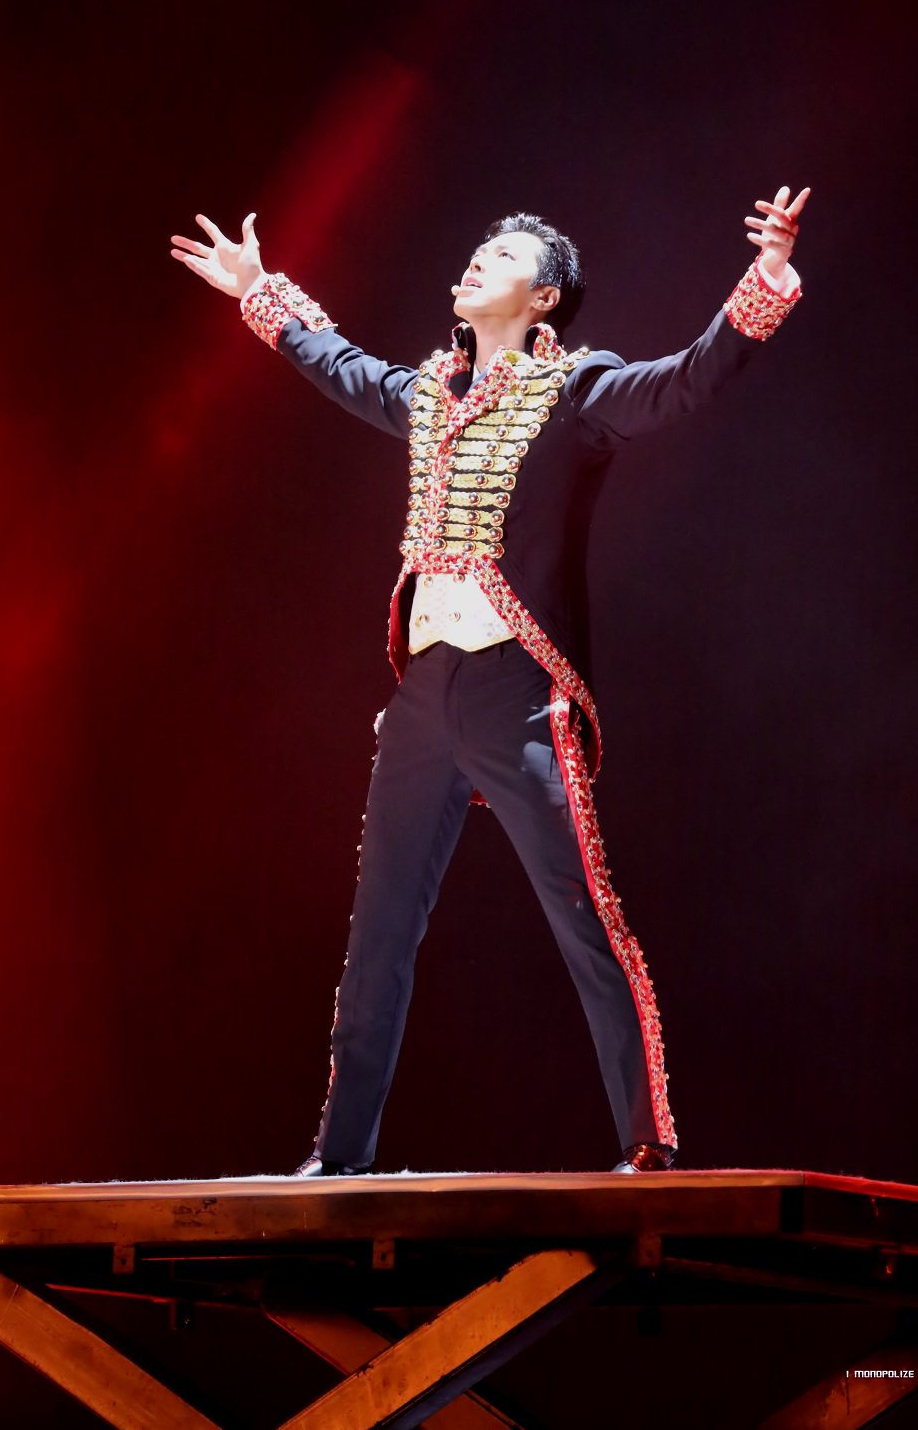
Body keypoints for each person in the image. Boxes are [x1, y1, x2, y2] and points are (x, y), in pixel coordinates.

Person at [171, 184, 809, 1175]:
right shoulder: (429, 395)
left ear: (544, 298)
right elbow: (339, 364)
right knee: (378, 931)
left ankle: (648, 1142)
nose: (477, 260)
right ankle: (340, 1156)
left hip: (519, 691)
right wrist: (260, 289)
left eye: (504, 255)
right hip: (424, 696)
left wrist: (765, 280)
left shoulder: (579, 392)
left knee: (583, 915)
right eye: (479, 248)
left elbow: (685, 380)